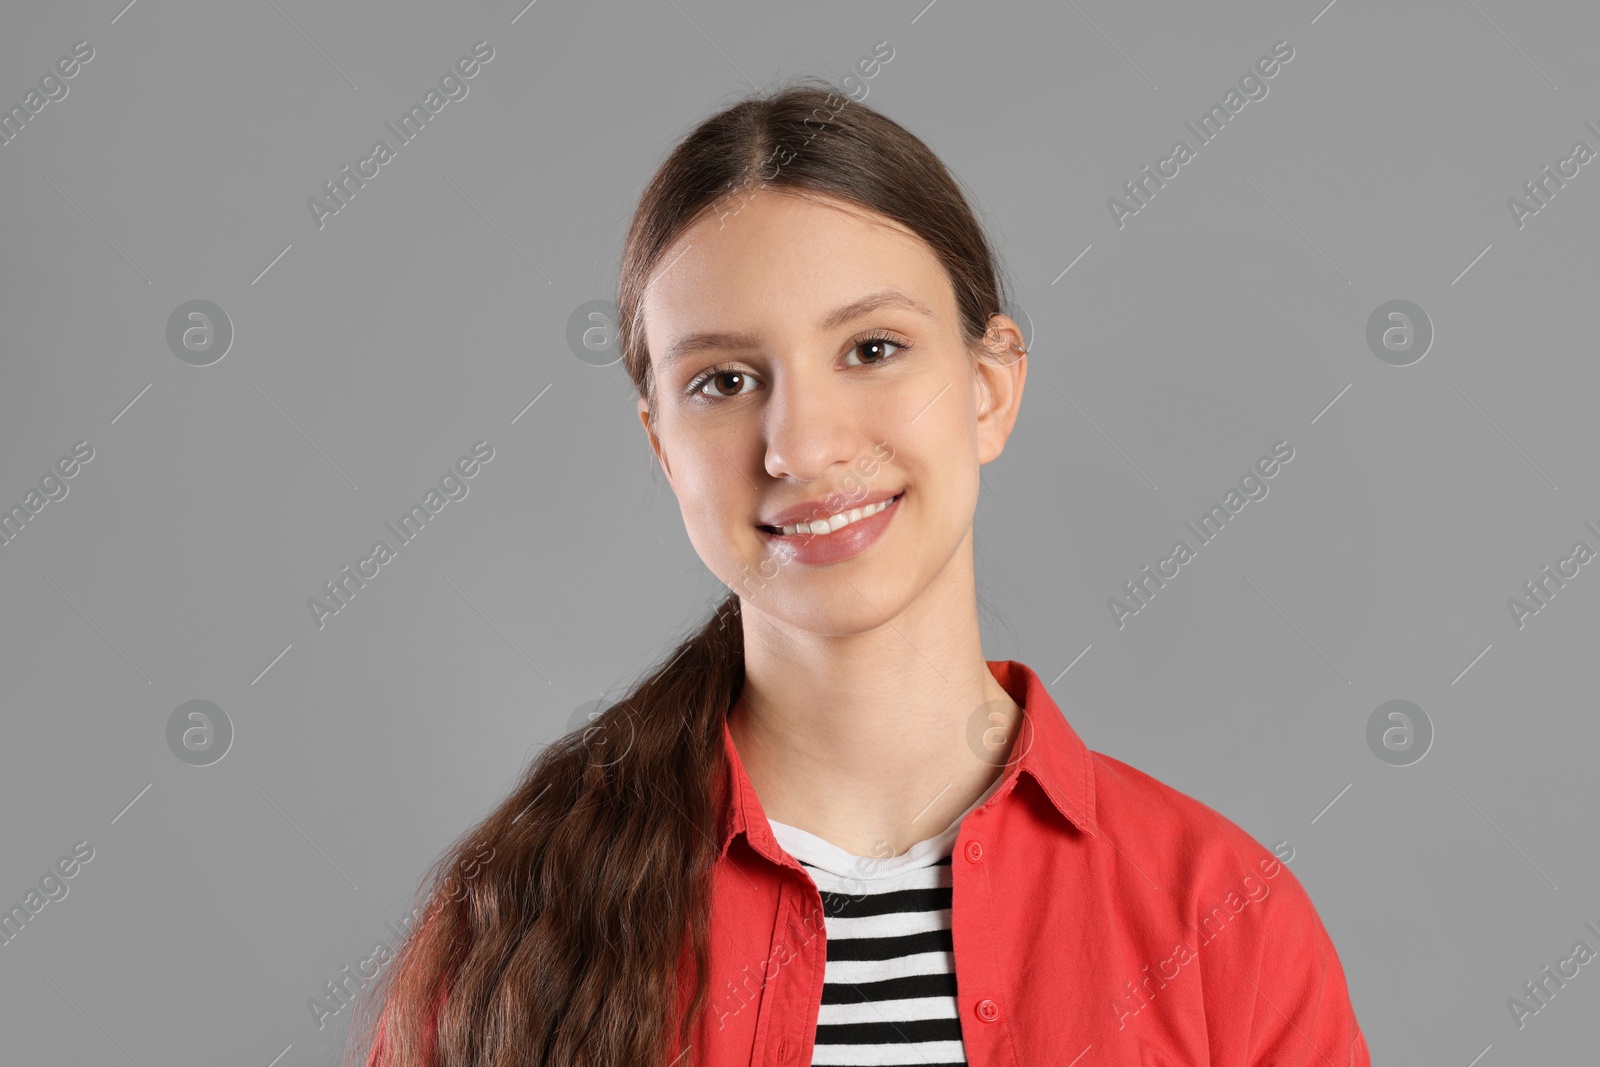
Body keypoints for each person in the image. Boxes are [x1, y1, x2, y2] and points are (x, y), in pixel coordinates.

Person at [353, 76, 1371, 1067]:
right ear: (662, 444)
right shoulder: (516, 924)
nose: (801, 445)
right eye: (724, 380)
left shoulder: (1223, 916)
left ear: (988, 388)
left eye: (872, 347)